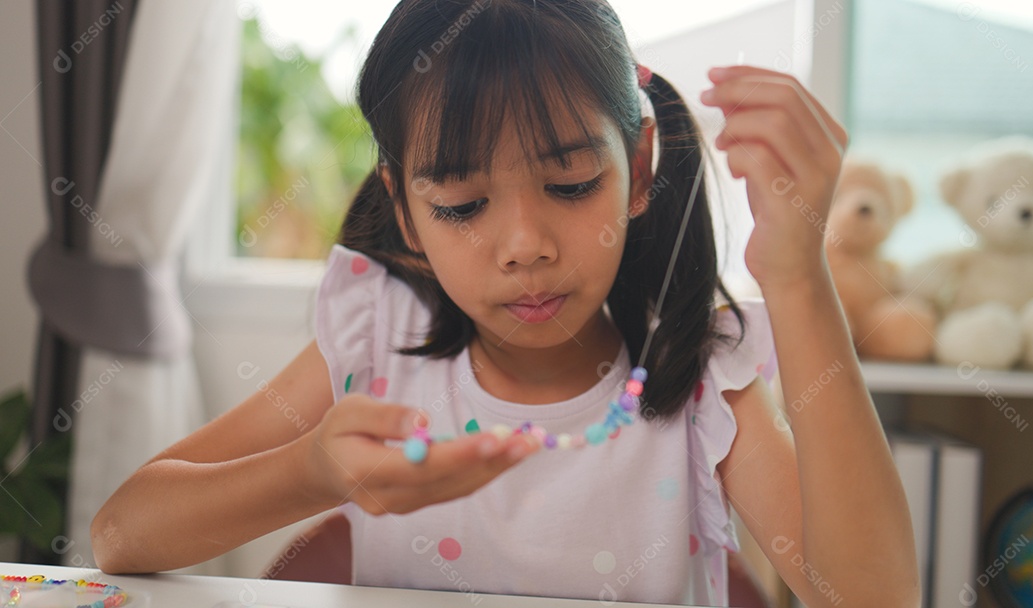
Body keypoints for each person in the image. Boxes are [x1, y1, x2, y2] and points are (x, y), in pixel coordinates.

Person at [92, 0, 919, 605]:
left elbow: (871, 599)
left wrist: (799, 276)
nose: (524, 244)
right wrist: (310, 472)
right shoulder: (379, 343)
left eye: (570, 183)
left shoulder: (694, 378)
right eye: (461, 204)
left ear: (637, 165)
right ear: (406, 210)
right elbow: (123, 533)